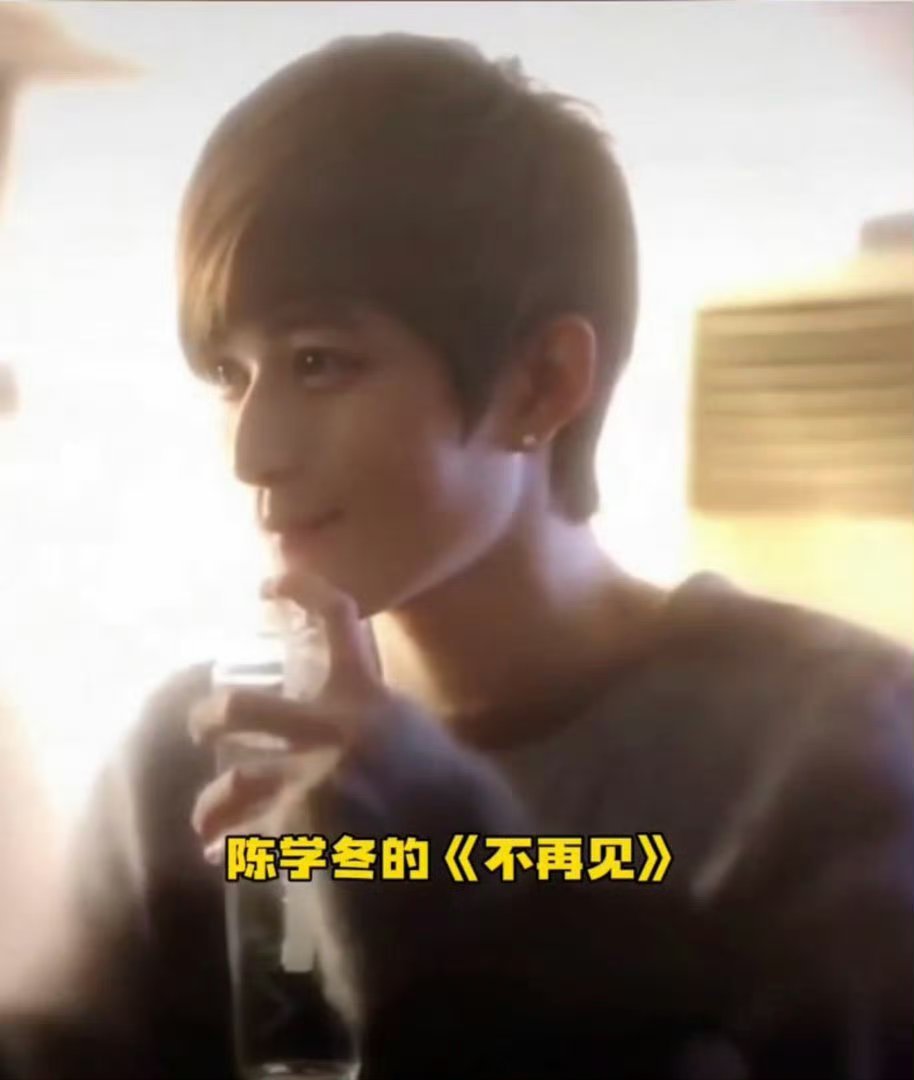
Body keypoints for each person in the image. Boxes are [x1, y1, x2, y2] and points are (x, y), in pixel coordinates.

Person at [3, 32, 912, 1080]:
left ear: (542, 383)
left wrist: (466, 888)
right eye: (228, 375)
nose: (252, 452)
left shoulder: (830, 759)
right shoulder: (191, 758)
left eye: (318, 362)